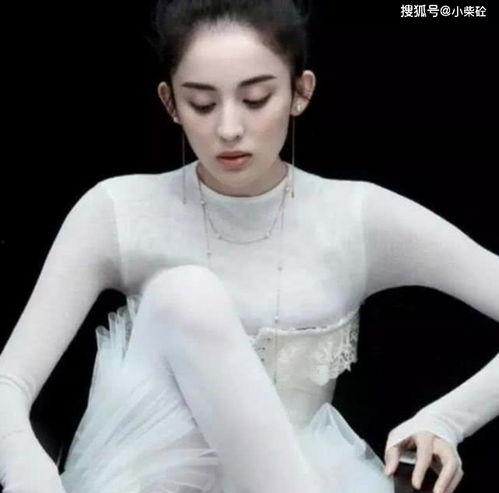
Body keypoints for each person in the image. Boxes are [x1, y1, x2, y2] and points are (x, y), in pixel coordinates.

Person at [0, 1, 497, 492]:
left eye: (256, 99)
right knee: (185, 294)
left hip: (302, 479)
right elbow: (8, 381)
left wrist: (446, 419)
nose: (228, 129)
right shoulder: (118, 210)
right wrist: (31, 477)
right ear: (170, 103)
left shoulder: (357, 217)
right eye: (202, 104)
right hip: (146, 483)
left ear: (301, 92)